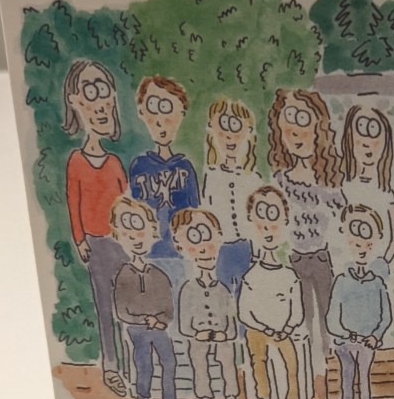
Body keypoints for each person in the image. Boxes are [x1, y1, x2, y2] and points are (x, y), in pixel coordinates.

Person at [61, 59, 128, 397]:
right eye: (90, 91)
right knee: (104, 307)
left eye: (104, 90)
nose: (100, 102)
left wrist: (130, 239)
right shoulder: (76, 161)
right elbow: (73, 203)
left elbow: (127, 206)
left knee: (127, 306)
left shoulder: (115, 163)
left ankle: (133, 365)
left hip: (121, 245)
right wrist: (80, 240)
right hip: (96, 246)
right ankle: (112, 367)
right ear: (75, 101)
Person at [267, 89, 345, 374]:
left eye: (303, 120)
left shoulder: (329, 179)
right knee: (302, 314)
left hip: (323, 256)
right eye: (289, 122)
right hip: (294, 258)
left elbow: (341, 219)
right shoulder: (279, 180)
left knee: (328, 312)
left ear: (318, 128)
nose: (297, 132)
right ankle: (310, 366)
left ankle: (330, 361)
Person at [238, 186, 305, 399]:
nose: (267, 226)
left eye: (273, 215)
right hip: (257, 330)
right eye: (261, 216)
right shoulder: (251, 275)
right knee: (259, 361)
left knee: (291, 362)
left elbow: (297, 310)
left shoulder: (289, 275)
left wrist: (287, 328)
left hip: (283, 330)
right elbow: (244, 312)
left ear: (284, 222)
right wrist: (264, 328)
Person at [110, 196, 178, 399]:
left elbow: (168, 308)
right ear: (120, 237)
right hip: (137, 329)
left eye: (140, 234)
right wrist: (142, 320)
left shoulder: (159, 275)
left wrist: (160, 321)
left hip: (159, 329)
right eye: (128, 236)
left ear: (152, 233)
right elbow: (121, 310)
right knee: (144, 363)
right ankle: (143, 397)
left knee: (169, 362)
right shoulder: (123, 275)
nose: (136, 240)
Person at [171, 208, 239, 399]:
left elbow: (232, 322)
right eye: (194, 237)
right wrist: (196, 334)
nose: (203, 247)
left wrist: (225, 334)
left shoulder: (223, 291)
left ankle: (231, 396)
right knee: (198, 359)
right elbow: (183, 324)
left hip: (221, 337)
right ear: (182, 247)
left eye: (207, 235)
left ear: (218, 237)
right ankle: (206, 397)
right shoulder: (188, 289)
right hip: (198, 337)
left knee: (227, 357)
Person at [325, 205, 392, 399]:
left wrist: (375, 336)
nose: (362, 249)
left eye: (368, 245)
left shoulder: (377, 283)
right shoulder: (342, 281)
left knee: (364, 370)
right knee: (347, 369)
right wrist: (346, 334)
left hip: (367, 342)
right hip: (344, 341)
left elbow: (386, 316)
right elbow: (331, 318)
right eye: (357, 244)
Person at [128, 75, 200, 262]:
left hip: (182, 255)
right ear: (142, 112)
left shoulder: (185, 167)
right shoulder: (139, 166)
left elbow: (194, 213)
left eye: (166, 108)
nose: (160, 120)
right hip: (147, 255)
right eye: (153, 107)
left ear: (180, 114)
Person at [201, 98, 264, 297]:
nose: (229, 137)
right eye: (223, 129)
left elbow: (258, 220)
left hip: (247, 247)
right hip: (222, 249)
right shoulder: (212, 176)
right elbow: (208, 215)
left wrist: (258, 251)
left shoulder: (252, 178)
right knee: (223, 296)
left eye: (235, 128)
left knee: (247, 296)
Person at [340, 105, 394, 266]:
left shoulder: (385, 193)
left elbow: (393, 241)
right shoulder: (344, 186)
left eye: (374, 131)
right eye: (360, 130)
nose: (367, 143)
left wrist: (380, 267)